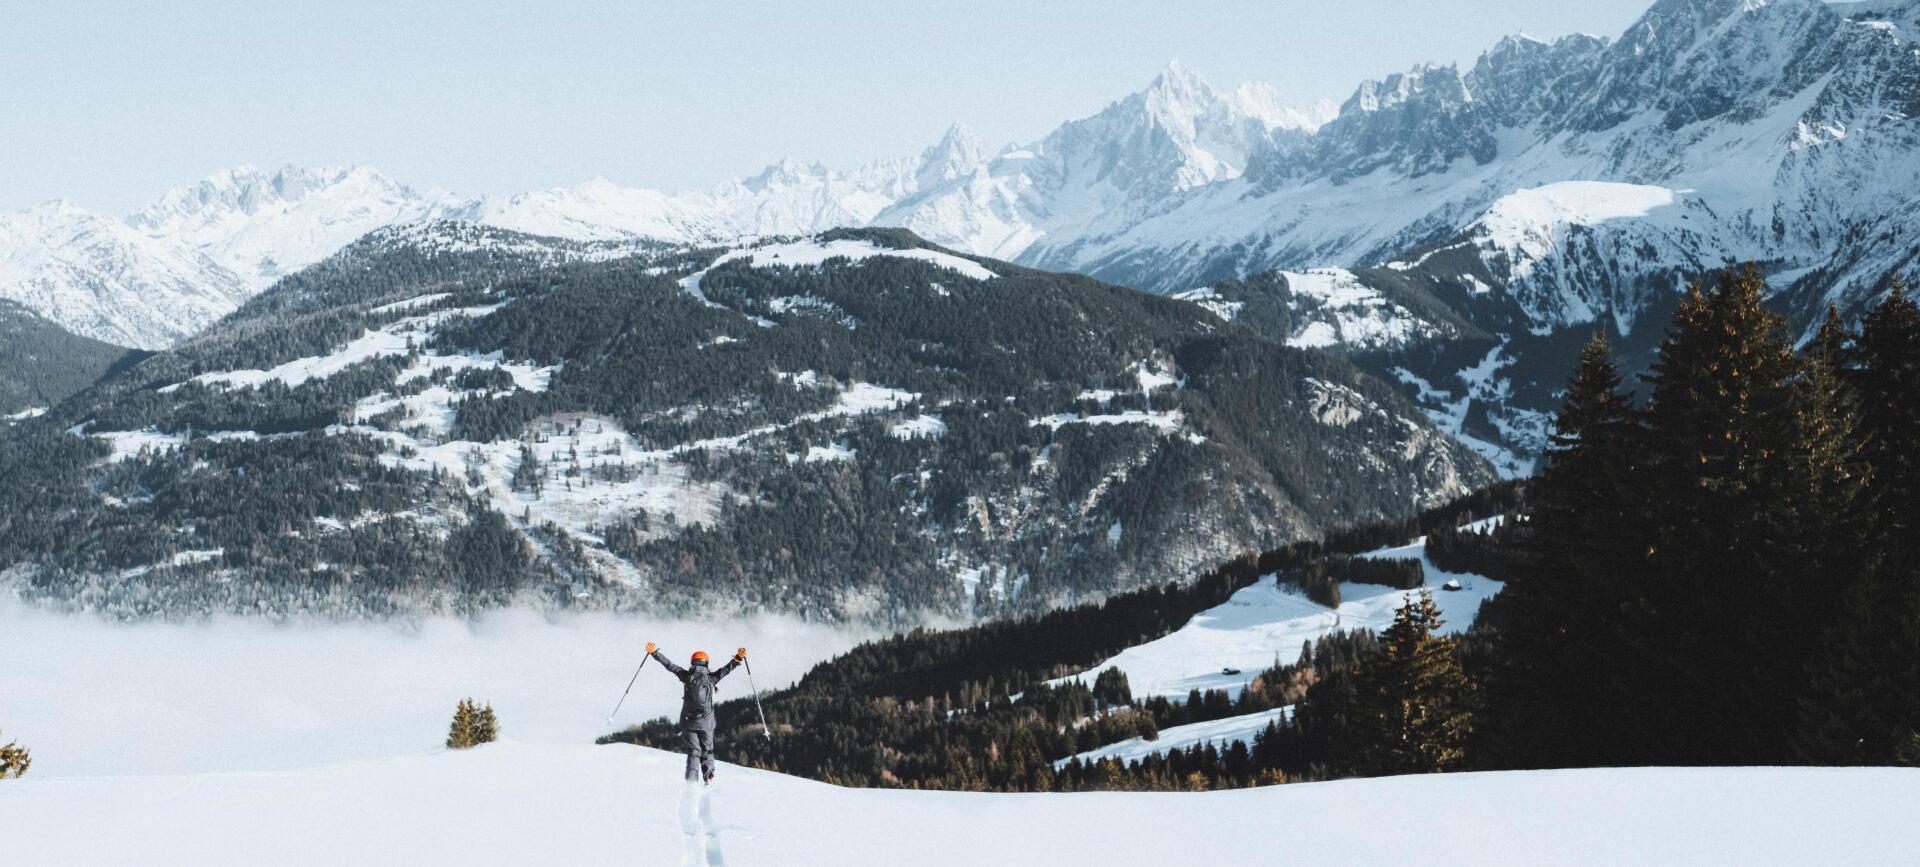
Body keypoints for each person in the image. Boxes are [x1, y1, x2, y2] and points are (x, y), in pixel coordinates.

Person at [645, 642, 746, 784]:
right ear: (706, 663)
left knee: (694, 751)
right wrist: (738, 658)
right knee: (707, 750)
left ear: (693, 663)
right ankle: (708, 778)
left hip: (688, 722)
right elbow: (727, 669)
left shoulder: (686, 676)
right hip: (707, 722)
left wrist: (655, 653)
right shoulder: (712, 679)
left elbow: (670, 665)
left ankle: (691, 782)